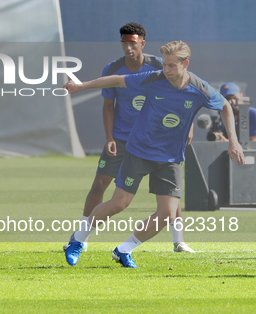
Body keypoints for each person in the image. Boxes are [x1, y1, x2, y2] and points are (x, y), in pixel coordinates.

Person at [63, 41, 245, 268]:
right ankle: (78, 240)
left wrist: (234, 142)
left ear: (185, 64)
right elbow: (117, 80)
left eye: (171, 66)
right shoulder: (154, 78)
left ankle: (123, 250)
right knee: (120, 203)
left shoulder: (200, 88)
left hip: (171, 157)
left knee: (167, 213)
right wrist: (82, 86)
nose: (165, 70)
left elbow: (226, 106)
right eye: (164, 65)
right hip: (139, 150)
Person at [63, 22, 195, 254]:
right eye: (124, 43)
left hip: (158, 140)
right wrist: (109, 137)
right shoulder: (113, 68)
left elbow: (184, 94)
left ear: (142, 43)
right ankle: (81, 239)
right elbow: (108, 105)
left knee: (171, 190)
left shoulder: (161, 66)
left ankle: (179, 240)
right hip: (123, 139)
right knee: (100, 185)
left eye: (132, 43)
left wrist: (188, 127)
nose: (127, 47)